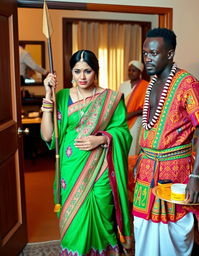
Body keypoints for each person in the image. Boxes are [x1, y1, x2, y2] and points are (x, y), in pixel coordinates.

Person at [132, 28, 199, 256]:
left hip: (175, 171)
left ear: (169, 54)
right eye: (145, 53)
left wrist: (196, 177)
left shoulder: (188, 84)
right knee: (142, 228)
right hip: (147, 171)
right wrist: (142, 156)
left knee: (173, 234)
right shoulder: (152, 82)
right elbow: (151, 127)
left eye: (153, 53)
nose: (147, 58)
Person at [40, 50, 132, 255]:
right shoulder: (62, 96)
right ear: (71, 73)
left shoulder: (111, 98)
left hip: (101, 169)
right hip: (71, 168)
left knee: (102, 215)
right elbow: (47, 136)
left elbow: (123, 133)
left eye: (87, 71)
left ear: (95, 72)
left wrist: (100, 139)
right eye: (77, 71)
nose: (82, 77)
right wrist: (48, 96)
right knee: (74, 221)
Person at [119, 60, 148, 156]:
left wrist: (131, 114)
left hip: (137, 120)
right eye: (129, 70)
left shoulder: (146, 86)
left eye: (134, 70)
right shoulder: (123, 85)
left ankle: (133, 166)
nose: (131, 72)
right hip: (123, 119)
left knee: (134, 145)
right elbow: (119, 102)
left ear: (140, 72)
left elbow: (147, 107)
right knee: (123, 144)